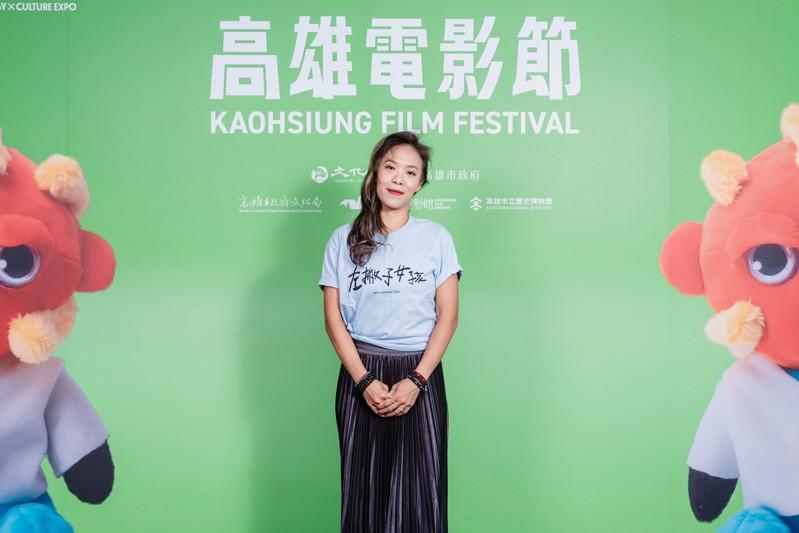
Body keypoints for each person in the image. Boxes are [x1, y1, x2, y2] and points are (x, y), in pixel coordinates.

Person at [318, 131, 462, 532]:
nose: (399, 178)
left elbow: (448, 317)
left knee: (421, 497)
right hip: (361, 372)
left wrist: (417, 380)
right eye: (391, 167)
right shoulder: (343, 239)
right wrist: (364, 381)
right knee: (364, 495)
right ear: (375, 173)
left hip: (420, 373)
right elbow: (333, 320)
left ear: (420, 184)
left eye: (411, 172)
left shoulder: (436, 238)